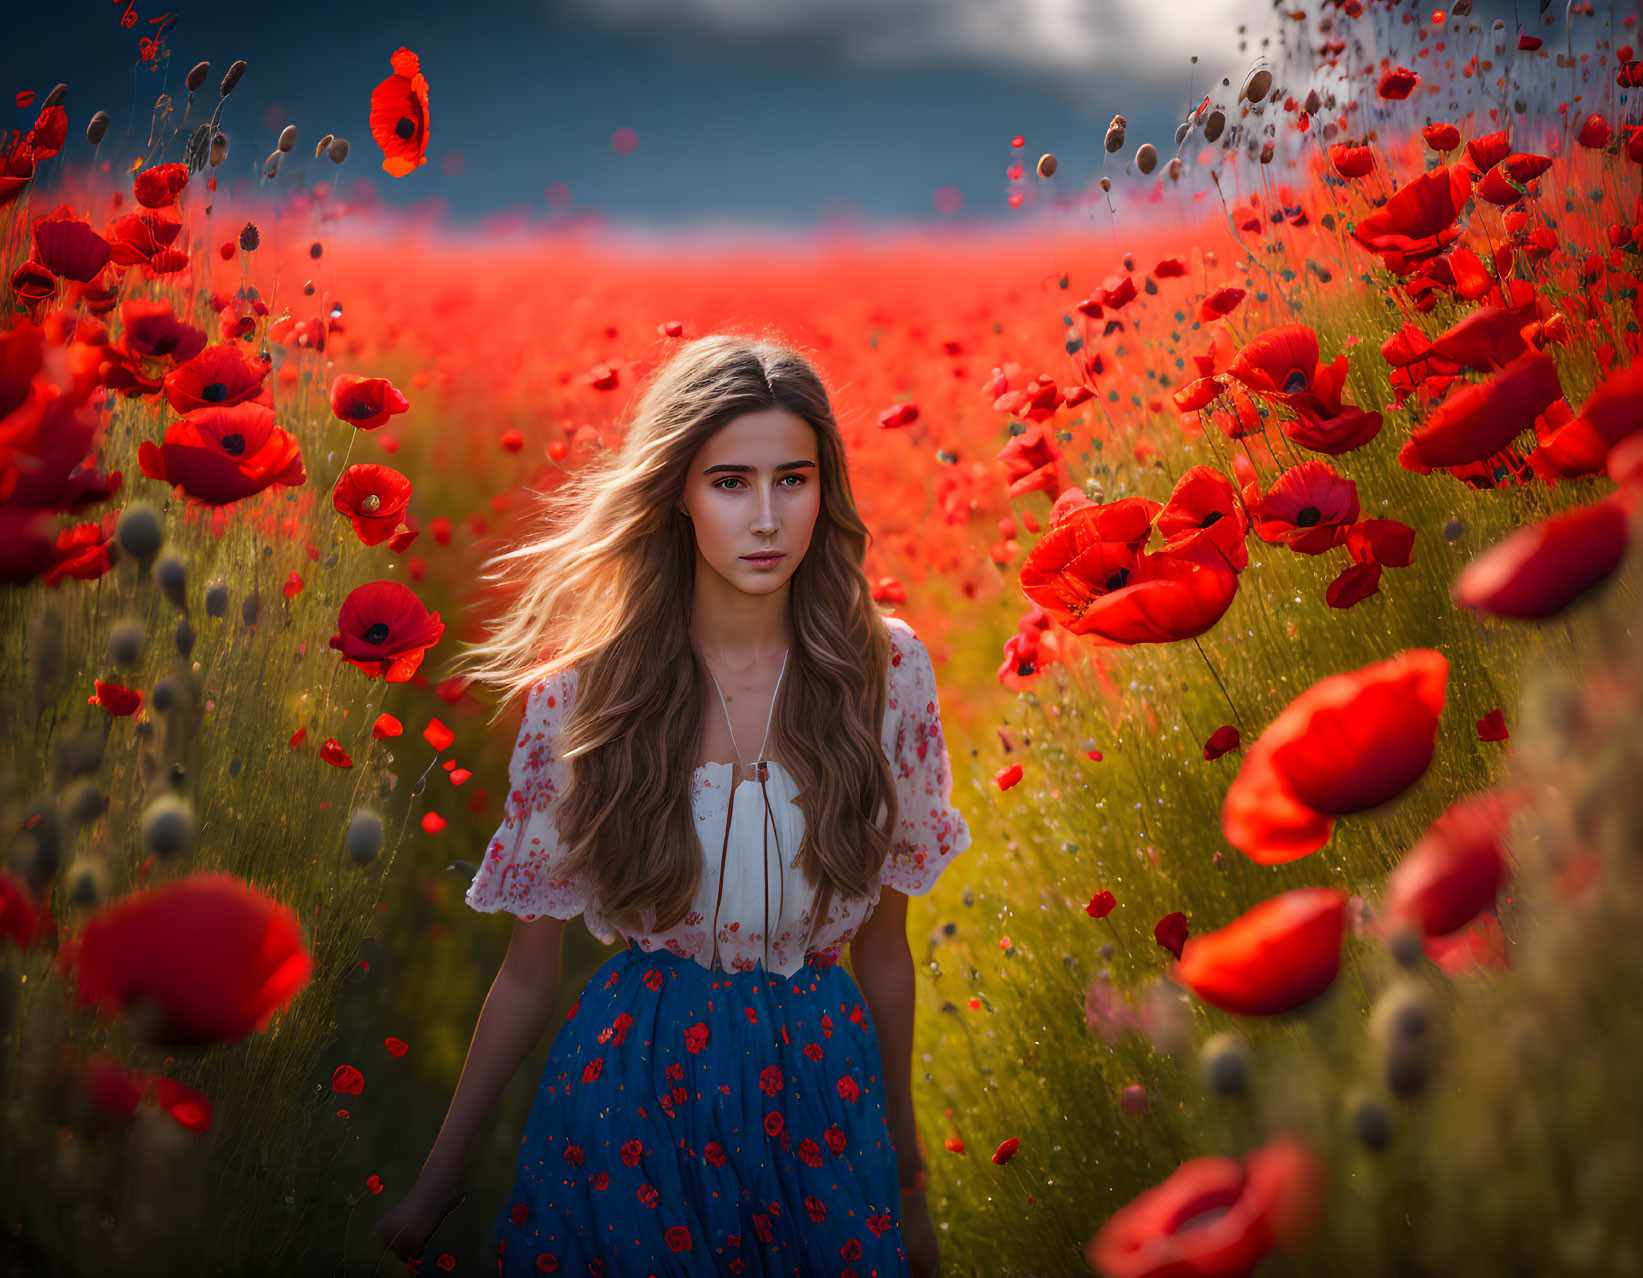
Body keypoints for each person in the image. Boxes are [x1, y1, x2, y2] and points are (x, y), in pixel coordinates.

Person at [372, 333, 971, 1276]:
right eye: (730, 482)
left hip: (822, 1094)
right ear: (677, 495)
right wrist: (438, 1179)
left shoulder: (886, 670)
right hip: (628, 1096)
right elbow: (528, 977)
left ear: (826, 489)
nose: (767, 518)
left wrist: (907, 1180)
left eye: (794, 479)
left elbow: (885, 955)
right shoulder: (581, 698)